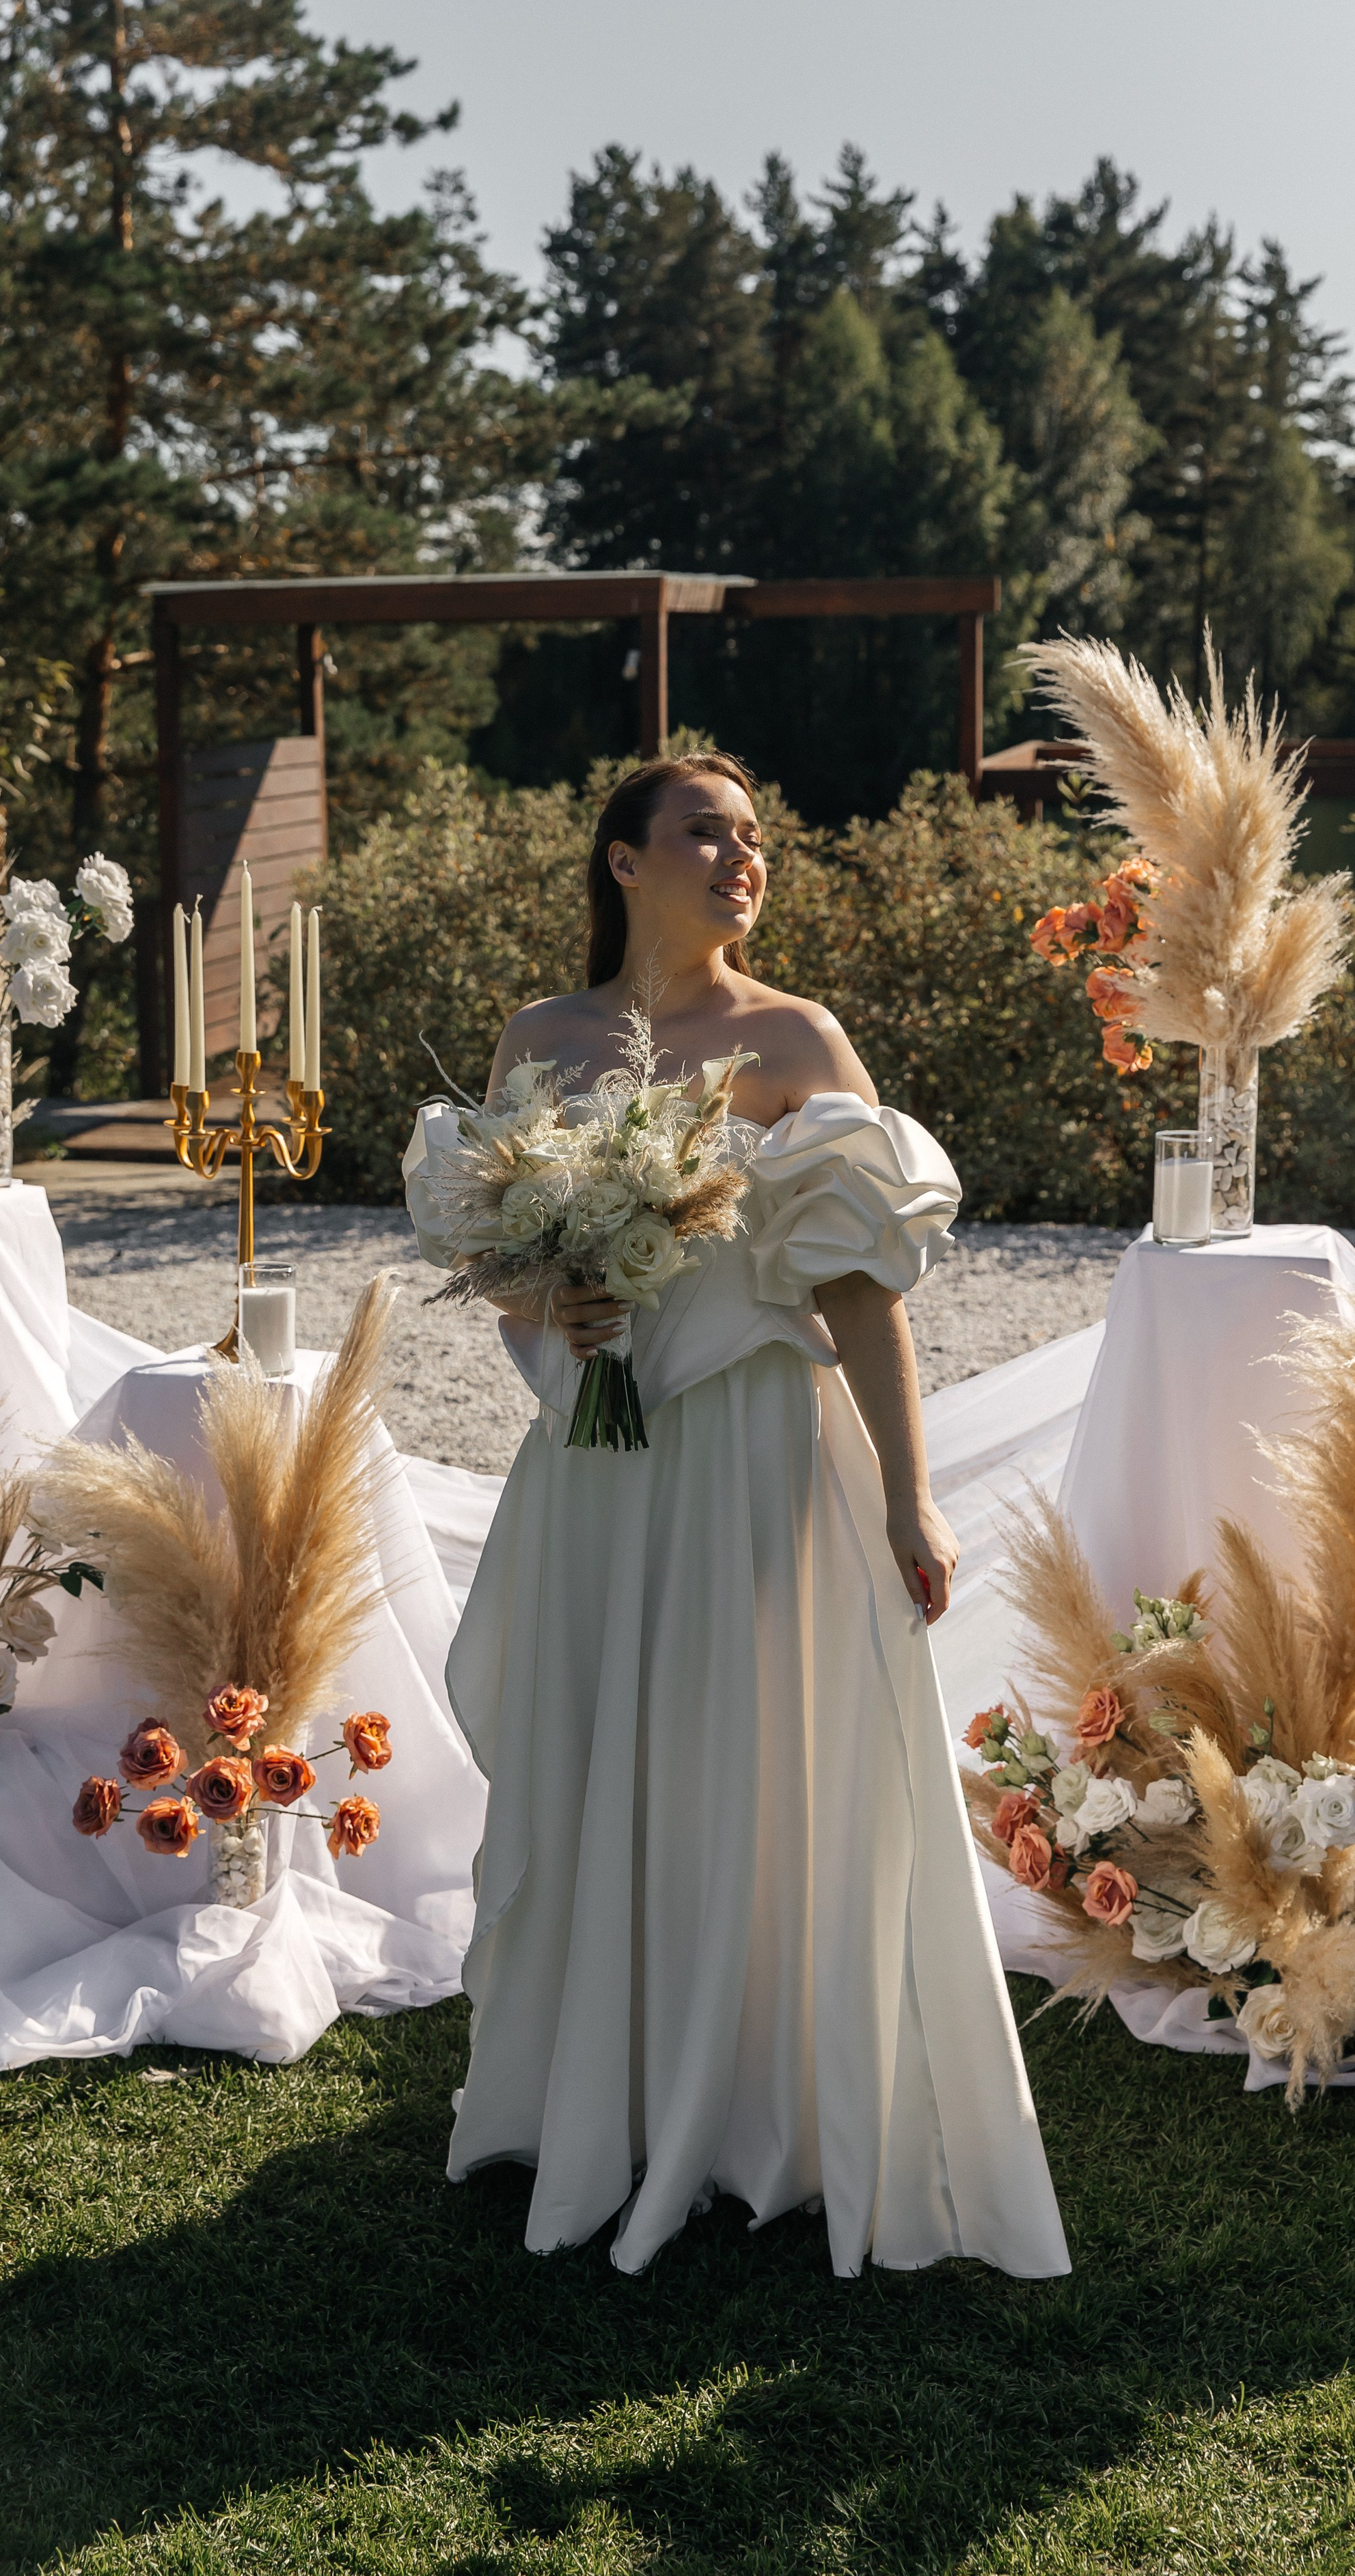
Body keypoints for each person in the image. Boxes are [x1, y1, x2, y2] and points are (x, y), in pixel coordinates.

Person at [405, 751, 1068, 2280]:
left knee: (744, 1757)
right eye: (705, 830)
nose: (739, 854)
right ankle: (610, 2096)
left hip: (759, 1457)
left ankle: (758, 2102)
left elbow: (857, 1286)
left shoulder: (793, 1036)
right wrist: (550, 1293)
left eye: (754, 835)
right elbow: (497, 1257)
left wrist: (909, 1497)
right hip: (597, 1467)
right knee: (596, 1752)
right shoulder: (541, 1038)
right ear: (623, 860)